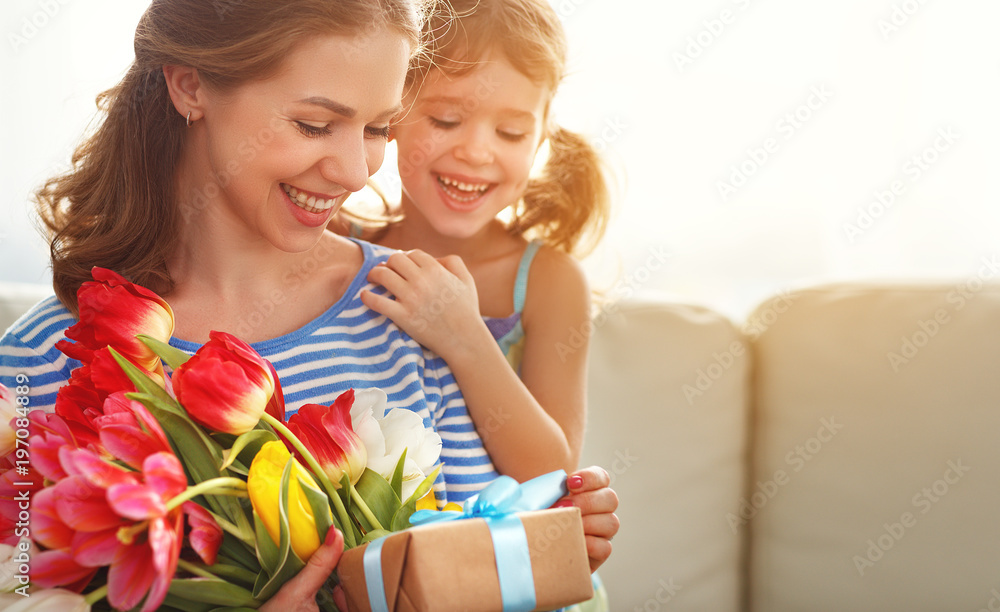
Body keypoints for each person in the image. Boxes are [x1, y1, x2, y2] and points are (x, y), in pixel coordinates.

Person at [0, 0, 617, 609]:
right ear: (190, 86)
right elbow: (22, 587)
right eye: (315, 125)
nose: (356, 173)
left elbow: (490, 569)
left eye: (378, 129)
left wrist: (551, 544)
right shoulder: (36, 366)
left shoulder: (411, 310)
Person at [334, 0, 610, 484]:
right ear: (392, 113)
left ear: (541, 136)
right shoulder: (337, 246)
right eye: (445, 120)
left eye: (511, 132)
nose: (478, 151)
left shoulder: (548, 281)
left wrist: (463, 337)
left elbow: (551, 473)